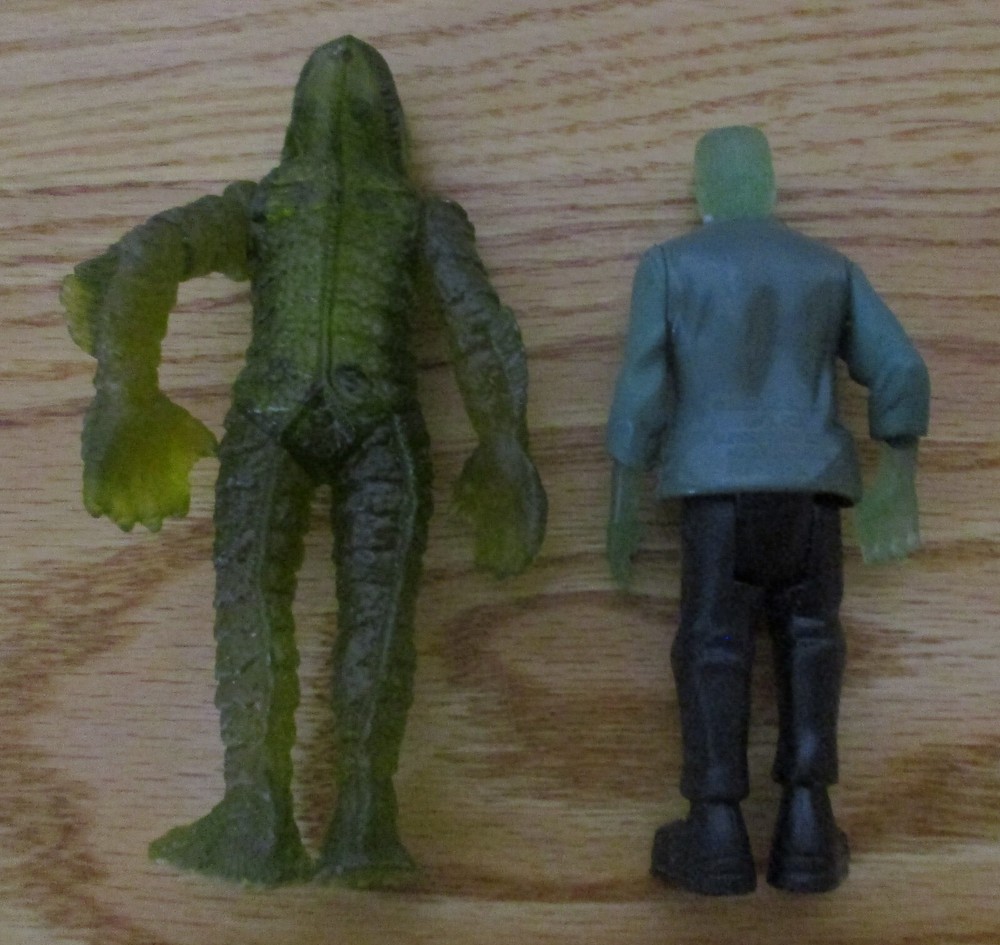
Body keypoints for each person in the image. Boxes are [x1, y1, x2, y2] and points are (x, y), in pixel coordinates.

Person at [606, 126, 930, 895]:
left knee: (712, 646)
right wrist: (900, 469)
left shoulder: (670, 265)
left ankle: (716, 825)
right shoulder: (828, 267)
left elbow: (642, 389)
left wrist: (622, 494)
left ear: (702, 191)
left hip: (716, 494)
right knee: (812, 642)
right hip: (813, 494)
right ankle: (808, 821)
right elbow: (900, 366)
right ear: (772, 186)